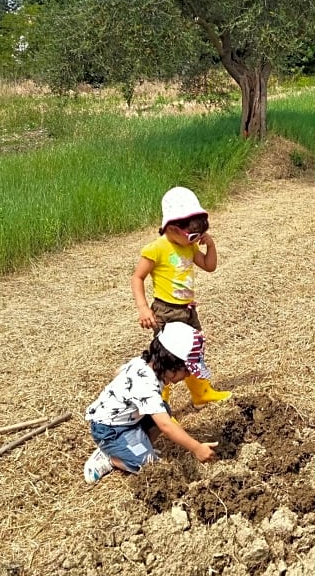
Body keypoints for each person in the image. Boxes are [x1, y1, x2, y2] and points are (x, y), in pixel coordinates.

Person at [131, 186, 232, 408]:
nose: (196, 240)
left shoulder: (189, 246)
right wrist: (143, 308)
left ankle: (201, 393)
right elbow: (137, 278)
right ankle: (161, 403)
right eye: (193, 235)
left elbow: (209, 266)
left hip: (187, 310)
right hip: (166, 312)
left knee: (194, 351)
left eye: (199, 236)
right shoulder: (156, 249)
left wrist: (211, 245)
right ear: (174, 228)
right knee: (168, 358)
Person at [83, 321, 219, 483]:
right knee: (148, 465)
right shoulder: (146, 385)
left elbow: (117, 372)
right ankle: (110, 457)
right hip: (110, 431)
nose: (188, 375)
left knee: (164, 410)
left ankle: (135, 446)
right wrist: (197, 448)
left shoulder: (142, 363)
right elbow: (166, 426)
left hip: (128, 421)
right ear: (172, 364)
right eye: (187, 370)